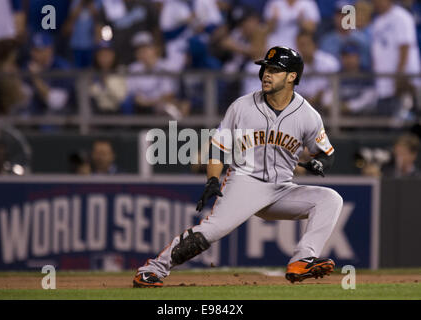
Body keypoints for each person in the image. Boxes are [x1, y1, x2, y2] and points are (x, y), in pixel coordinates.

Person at [133, 46, 343, 287]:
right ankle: (152, 270)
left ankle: (302, 260)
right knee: (211, 231)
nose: (266, 73)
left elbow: (327, 153)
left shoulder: (308, 115)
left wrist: (320, 162)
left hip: (282, 189)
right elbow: (217, 149)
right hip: (245, 183)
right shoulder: (242, 107)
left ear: (292, 77)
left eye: (274, 70)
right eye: (265, 68)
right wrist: (212, 179)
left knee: (330, 199)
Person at [371, 0, 420, 117]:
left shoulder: (401, 17)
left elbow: (405, 46)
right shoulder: (378, 21)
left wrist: (400, 74)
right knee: (388, 123)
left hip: (403, 82)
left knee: (405, 122)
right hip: (384, 83)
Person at [126, 32, 189, 119]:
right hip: (141, 109)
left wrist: (150, 102)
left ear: (154, 49)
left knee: (171, 109)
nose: (143, 53)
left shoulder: (165, 66)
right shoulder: (133, 69)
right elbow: (135, 97)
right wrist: (149, 103)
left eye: (147, 48)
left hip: (162, 107)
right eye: (139, 50)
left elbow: (169, 94)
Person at [25, 32, 75, 115]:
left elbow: (57, 104)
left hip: (63, 114)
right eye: (33, 50)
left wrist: (36, 78)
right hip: (36, 111)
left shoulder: (62, 68)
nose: (34, 54)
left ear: (49, 50)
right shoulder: (28, 66)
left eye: (38, 50)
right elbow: (24, 96)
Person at [295, 31, 340, 113]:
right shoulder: (294, 66)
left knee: (328, 98)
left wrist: (316, 97)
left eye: (307, 44)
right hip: (304, 102)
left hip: (324, 100)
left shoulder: (329, 62)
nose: (303, 48)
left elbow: (331, 86)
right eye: (300, 45)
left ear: (314, 45)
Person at [89, 40, 128, 114]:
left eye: (108, 54)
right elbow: (91, 95)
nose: (105, 58)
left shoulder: (121, 70)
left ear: (114, 55)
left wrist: (107, 80)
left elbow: (121, 97)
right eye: (101, 54)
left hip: (117, 111)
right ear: (96, 56)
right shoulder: (91, 73)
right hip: (97, 112)